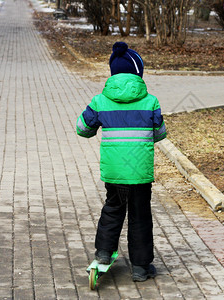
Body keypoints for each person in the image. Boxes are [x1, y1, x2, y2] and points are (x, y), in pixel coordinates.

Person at [76, 42, 167, 282]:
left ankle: (104, 253)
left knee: (113, 209)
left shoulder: (100, 101)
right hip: (139, 171)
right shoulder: (151, 101)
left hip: (114, 172)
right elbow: (160, 134)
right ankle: (140, 267)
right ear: (139, 73)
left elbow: (83, 129)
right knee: (140, 216)